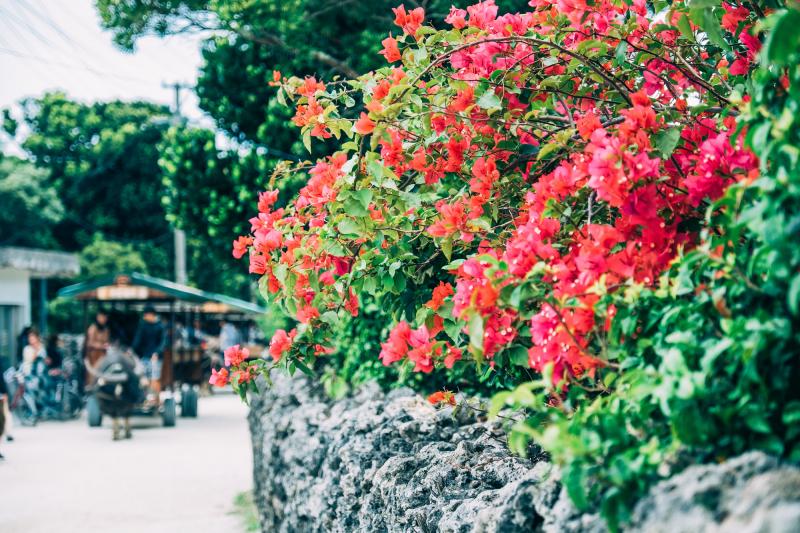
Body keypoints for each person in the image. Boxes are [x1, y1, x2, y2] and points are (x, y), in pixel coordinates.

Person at [131, 306, 166, 405]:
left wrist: (157, 353)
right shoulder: (143, 326)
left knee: (155, 377)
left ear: (151, 315)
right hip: (144, 356)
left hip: (156, 357)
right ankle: (144, 398)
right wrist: (131, 351)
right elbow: (138, 340)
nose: (145, 317)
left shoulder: (160, 326)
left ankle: (157, 400)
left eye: (146, 315)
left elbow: (163, 342)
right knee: (143, 377)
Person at [84, 311, 110, 384]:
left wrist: (107, 345)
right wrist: (101, 346)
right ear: (98, 317)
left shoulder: (106, 329)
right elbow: (89, 343)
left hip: (102, 357)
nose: (104, 319)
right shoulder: (93, 328)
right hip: (93, 357)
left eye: (105, 317)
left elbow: (106, 341)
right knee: (92, 377)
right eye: (102, 317)